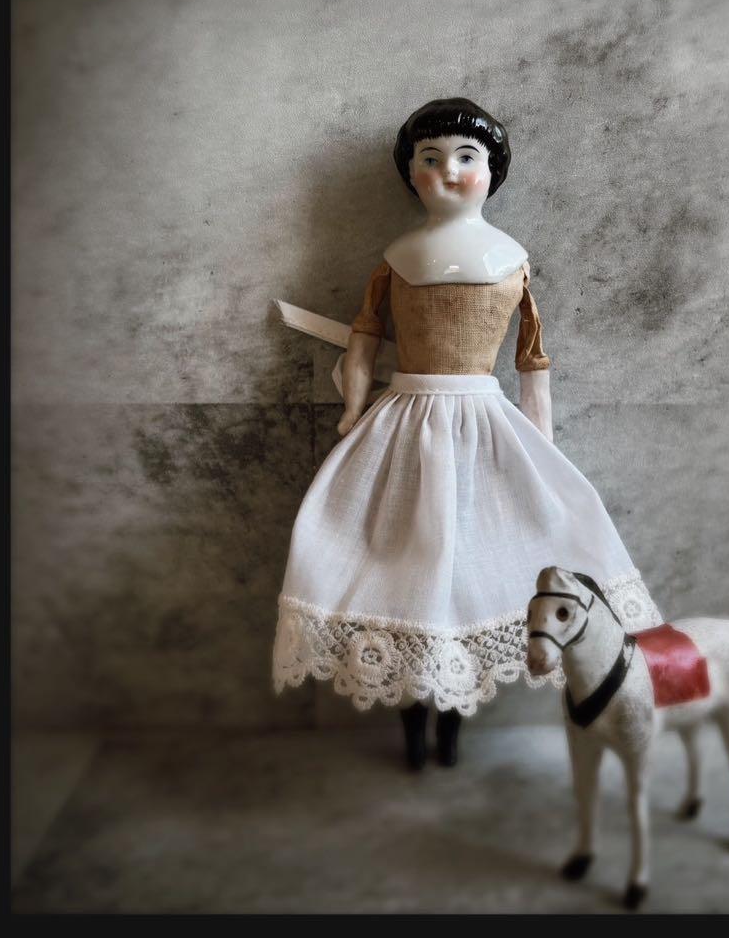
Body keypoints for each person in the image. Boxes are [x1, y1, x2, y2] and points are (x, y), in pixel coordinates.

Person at [273, 98, 660, 769]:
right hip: (404, 420)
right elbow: (364, 338)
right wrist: (352, 409)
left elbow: (532, 361)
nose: (448, 172)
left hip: (484, 425)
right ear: (410, 173)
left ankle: (449, 729)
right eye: (430, 159)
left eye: (466, 157)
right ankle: (413, 730)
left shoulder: (511, 258)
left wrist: (540, 444)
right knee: (402, 572)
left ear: (492, 172)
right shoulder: (397, 257)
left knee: (471, 575)